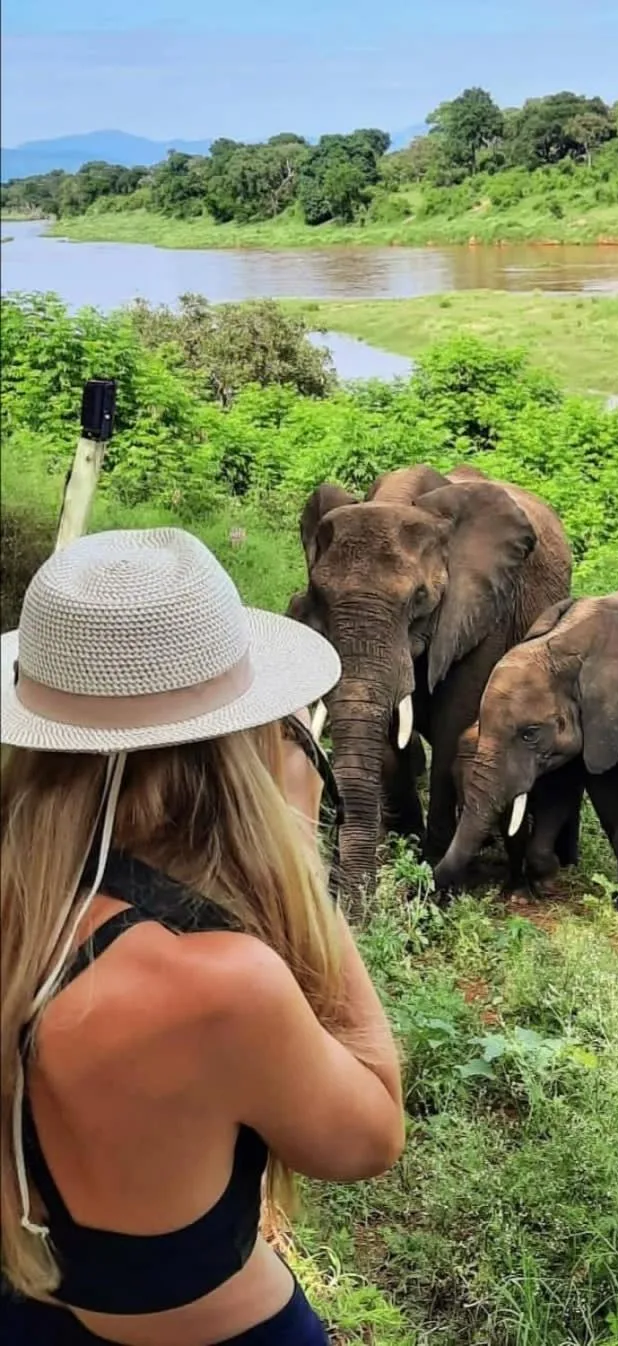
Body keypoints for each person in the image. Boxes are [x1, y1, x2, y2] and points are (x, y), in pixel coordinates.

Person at [0, 528, 405, 1345]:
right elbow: (370, 1134)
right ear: (240, 742)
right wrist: (296, 852)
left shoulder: (26, 909)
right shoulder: (216, 983)